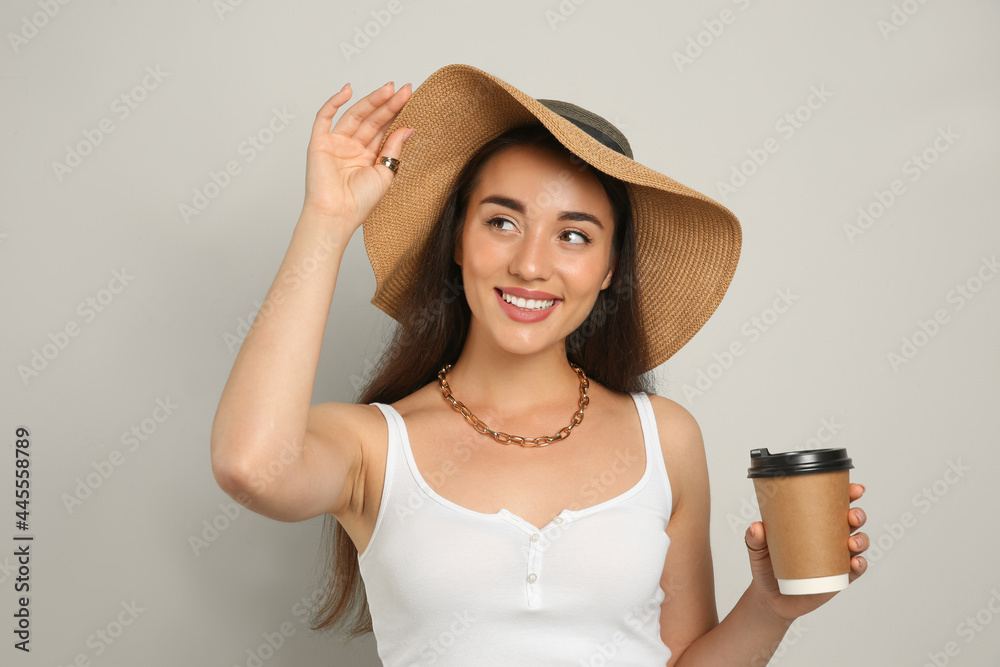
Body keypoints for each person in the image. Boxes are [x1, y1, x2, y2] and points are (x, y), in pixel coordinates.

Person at [210, 64, 869, 665]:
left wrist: (771, 607)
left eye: (574, 235)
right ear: (459, 240)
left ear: (609, 268)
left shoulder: (664, 436)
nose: (531, 263)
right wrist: (327, 221)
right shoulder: (374, 445)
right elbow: (249, 466)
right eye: (502, 222)